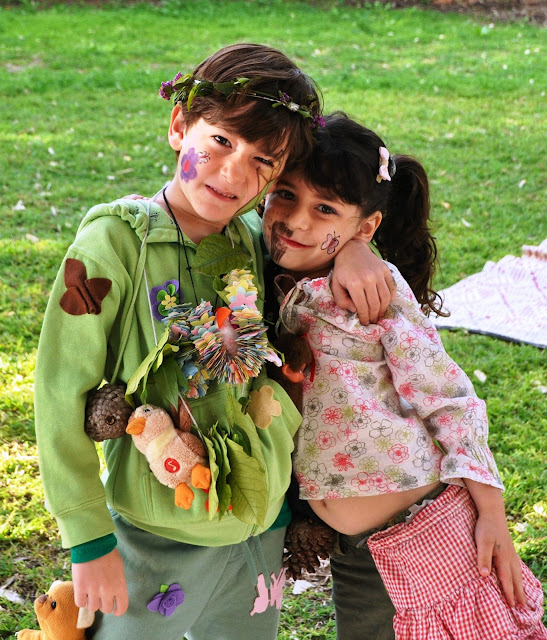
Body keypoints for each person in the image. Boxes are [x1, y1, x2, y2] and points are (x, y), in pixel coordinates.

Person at [33, 45, 394, 640]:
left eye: (262, 162)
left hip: (260, 535)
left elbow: (334, 223)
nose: (234, 174)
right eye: (222, 141)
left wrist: (356, 247)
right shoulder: (113, 247)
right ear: (180, 126)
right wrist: (86, 538)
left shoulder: (261, 239)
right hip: (155, 538)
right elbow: (57, 395)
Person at [262, 112, 547, 640]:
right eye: (284, 195)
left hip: (426, 527)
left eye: (325, 209)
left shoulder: (372, 291)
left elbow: (447, 394)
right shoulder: (267, 274)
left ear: (366, 226)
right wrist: (345, 243)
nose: (297, 220)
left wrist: (492, 511)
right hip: (350, 547)